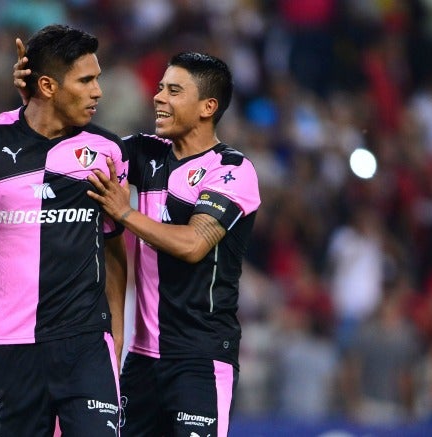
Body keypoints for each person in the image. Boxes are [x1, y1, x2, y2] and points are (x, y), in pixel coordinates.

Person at [14, 47, 260, 436]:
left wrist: (126, 212)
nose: (158, 97)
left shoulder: (231, 171)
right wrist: (38, 99)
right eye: (161, 88)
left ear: (207, 106)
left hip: (200, 360)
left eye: (174, 91)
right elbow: (75, 146)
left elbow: (194, 244)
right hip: (142, 362)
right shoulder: (143, 153)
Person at [0, 24, 128, 436]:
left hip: (86, 347)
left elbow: (113, 251)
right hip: (10, 347)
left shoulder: (107, 151)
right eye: (86, 80)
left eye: (98, 79)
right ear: (47, 86)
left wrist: (117, 341)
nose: (98, 92)